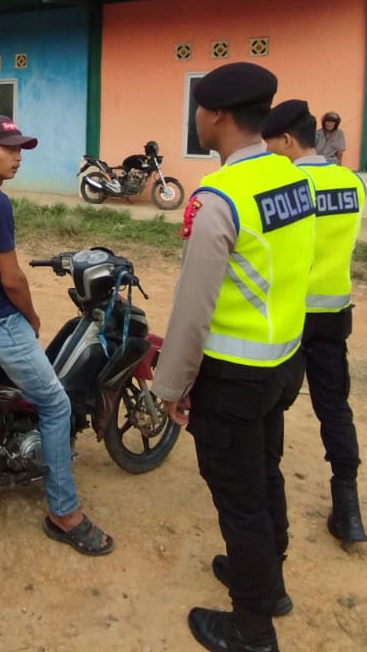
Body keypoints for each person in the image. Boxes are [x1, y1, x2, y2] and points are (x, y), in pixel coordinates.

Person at [152, 62, 314, 652]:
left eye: (197, 109)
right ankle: (268, 584)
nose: (195, 119)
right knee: (265, 474)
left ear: (216, 115)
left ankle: (252, 629)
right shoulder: (291, 177)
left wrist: (169, 387)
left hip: (233, 376)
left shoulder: (220, 198)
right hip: (282, 362)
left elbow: (193, 311)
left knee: (240, 501)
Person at [0, 114, 114, 557]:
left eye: (21, 148)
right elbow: (12, 279)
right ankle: (64, 512)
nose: (18, 156)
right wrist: (31, 317)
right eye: (10, 148)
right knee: (56, 403)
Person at [261, 100, 367, 548]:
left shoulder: (288, 185)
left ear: (287, 140)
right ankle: (348, 508)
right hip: (334, 316)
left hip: (291, 316)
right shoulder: (352, 183)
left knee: (270, 407)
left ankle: (269, 510)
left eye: (271, 144)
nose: (269, 152)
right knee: (334, 406)